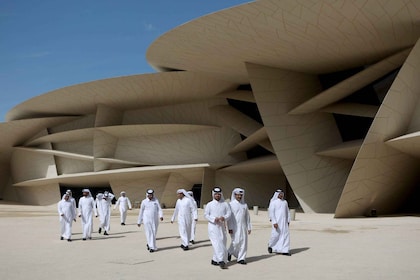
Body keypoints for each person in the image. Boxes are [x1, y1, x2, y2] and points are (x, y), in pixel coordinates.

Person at [204, 187, 231, 269]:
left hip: (222, 226)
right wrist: (213, 219)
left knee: (222, 242)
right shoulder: (209, 204)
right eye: (216, 194)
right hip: (213, 227)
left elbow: (229, 213)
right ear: (213, 195)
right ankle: (221, 260)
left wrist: (224, 218)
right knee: (216, 243)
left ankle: (215, 260)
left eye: (219, 194)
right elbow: (206, 215)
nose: (217, 196)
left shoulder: (225, 204)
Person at [227, 188, 252, 264]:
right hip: (234, 227)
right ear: (235, 195)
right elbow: (230, 218)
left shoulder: (244, 205)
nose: (239, 196)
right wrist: (230, 227)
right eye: (238, 195)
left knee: (244, 242)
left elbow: (247, 217)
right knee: (236, 242)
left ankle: (241, 258)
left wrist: (249, 227)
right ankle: (229, 252)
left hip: (243, 227)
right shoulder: (231, 204)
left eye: (241, 195)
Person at [267, 189, 291, 255]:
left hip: (284, 222)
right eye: (280, 194)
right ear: (277, 194)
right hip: (277, 222)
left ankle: (285, 250)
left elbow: (287, 212)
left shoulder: (285, 202)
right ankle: (271, 245)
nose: (281, 195)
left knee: (285, 235)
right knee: (275, 235)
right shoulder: (273, 202)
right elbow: (272, 213)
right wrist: (274, 222)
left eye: (282, 194)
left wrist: (288, 220)